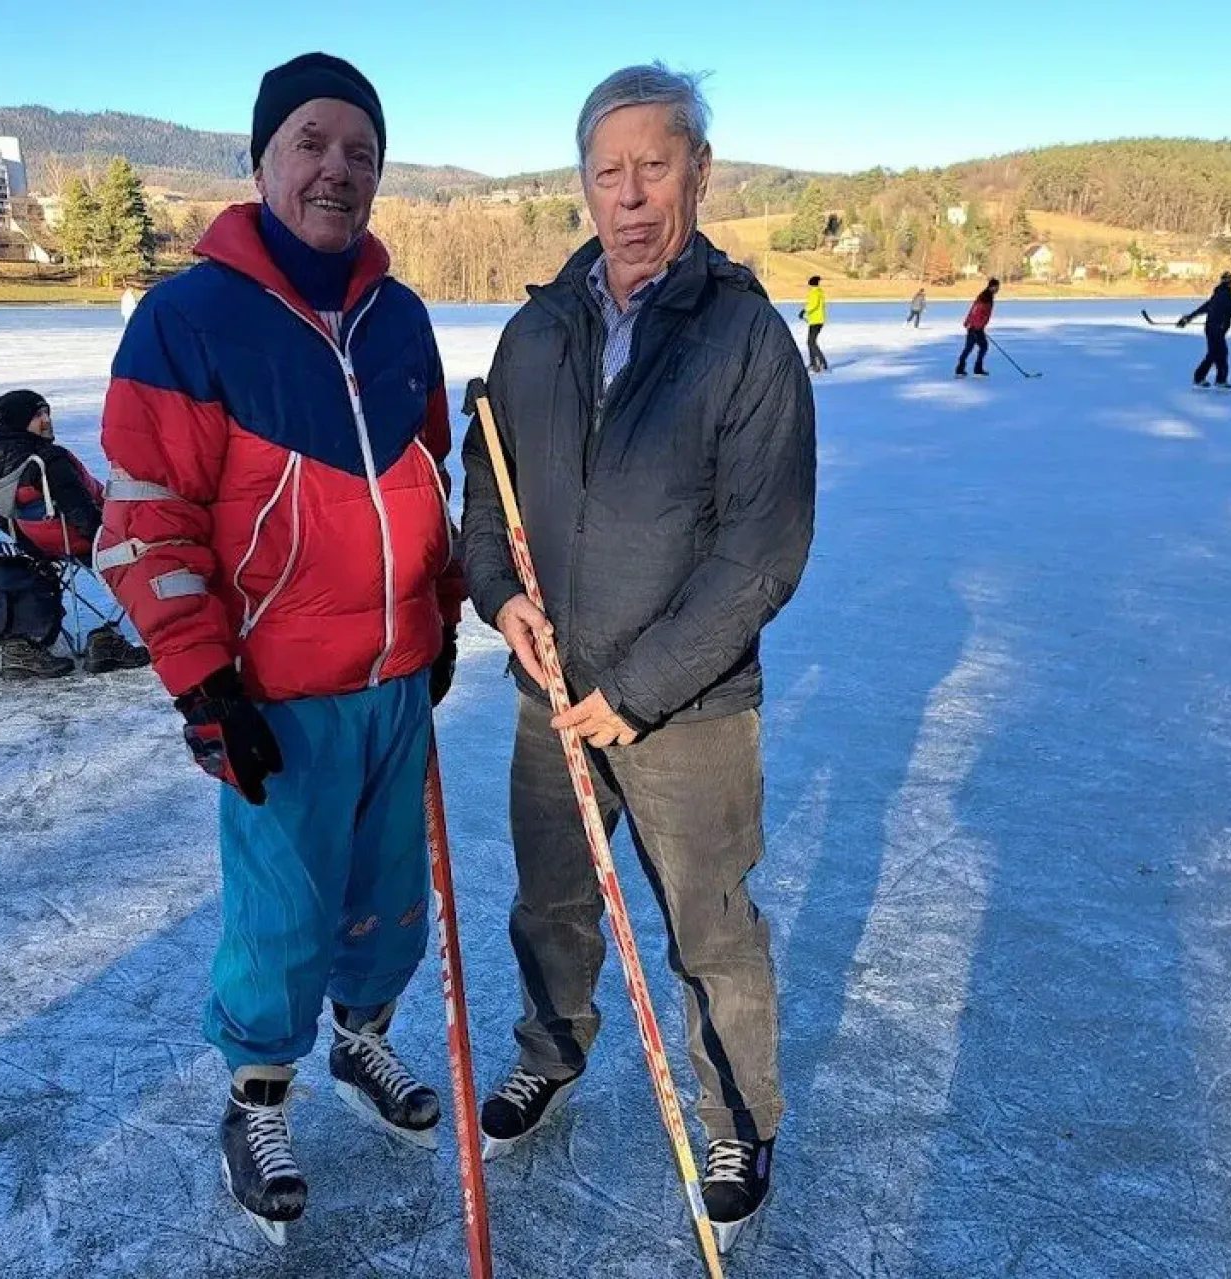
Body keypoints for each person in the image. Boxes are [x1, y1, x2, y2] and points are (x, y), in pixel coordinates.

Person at [94, 52, 464, 1245]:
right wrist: (204, 683)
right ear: (261, 160)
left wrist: (442, 613)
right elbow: (147, 519)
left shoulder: (401, 317)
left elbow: (428, 484)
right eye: (311, 142)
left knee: (391, 899)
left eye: (360, 151)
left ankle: (364, 1043)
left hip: (396, 675)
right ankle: (255, 1099)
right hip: (276, 688)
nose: (336, 169)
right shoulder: (188, 319)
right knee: (282, 914)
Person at [460, 63, 815, 1253]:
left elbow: (762, 552)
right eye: (608, 172)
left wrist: (643, 688)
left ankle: (738, 1119)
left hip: (688, 710)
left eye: (654, 166)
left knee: (711, 928)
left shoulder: (746, 340)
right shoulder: (536, 331)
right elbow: (484, 491)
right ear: (583, 186)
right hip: (547, 695)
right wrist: (501, 599)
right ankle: (548, 1055)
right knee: (550, 905)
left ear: (699, 174)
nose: (630, 195)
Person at [0, 389, 151, 680]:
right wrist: (110, 539)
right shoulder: (48, 459)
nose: (47, 420)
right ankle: (111, 640)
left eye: (47, 413)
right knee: (152, 543)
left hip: (39, 541)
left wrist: (31, 546)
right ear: (19, 420)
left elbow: (0, 513)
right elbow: (82, 514)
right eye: (38, 415)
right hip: (75, 537)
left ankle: (100, 640)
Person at [1177, 270, 1231, 389]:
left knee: (1215, 354)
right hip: (1217, 330)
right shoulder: (1226, 296)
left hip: (1211, 329)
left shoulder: (1217, 295)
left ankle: (1205, 378)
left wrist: (1188, 318)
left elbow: (1204, 308)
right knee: (1219, 354)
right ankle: (1214, 380)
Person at [955, 277, 999, 376]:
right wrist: (978, 327)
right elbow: (977, 311)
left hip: (974, 326)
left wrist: (969, 322)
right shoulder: (985, 297)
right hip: (976, 327)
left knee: (969, 347)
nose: (997, 289)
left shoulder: (986, 295)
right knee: (983, 346)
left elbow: (974, 310)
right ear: (992, 287)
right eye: (996, 287)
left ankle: (960, 368)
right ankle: (977, 369)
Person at [801, 274, 829, 372]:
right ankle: (815, 363)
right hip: (817, 320)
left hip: (816, 321)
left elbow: (813, 305)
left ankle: (820, 363)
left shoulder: (814, 293)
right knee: (811, 342)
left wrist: (804, 311)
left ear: (811, 284)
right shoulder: (819, 292)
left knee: (811, 342)